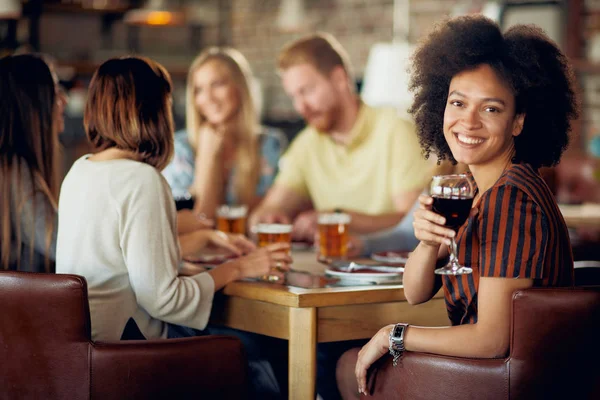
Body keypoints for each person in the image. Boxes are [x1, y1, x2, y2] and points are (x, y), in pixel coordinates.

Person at [336, 15, 577, 397]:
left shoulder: (510, 199)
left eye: (491, 109)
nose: (468, 121)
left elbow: (493, 339)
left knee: (348, 366)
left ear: (518, 122)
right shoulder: (474, 191)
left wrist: (393, 335)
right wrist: (429, 243)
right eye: (458, 102)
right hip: (491, 373)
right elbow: (415, 292)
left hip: (498, 380)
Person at [55, 56, 292, 399]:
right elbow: (165, 300)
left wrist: (191, 251)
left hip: (87, 348)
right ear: (154, 111)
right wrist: (240, 267)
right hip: (129, 347)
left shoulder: (80, 170)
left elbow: (117, 260)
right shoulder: (141, 179)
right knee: (254, 347)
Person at [248, 33, 434, 250]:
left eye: (307, 91)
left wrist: (336, 218)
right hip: (333, 270)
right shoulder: (307, 142)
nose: (301, 107)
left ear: (339, 78)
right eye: (294, 96)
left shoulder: (395, 129)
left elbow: (412, 223)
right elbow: (268, 209)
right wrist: (266, 219)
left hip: (393, 273)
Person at [161, 47, 286, 219]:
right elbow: (202, 218)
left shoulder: (269, 144)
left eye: (217, 84)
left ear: (240, 87)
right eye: (199, 89)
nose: (208, 97)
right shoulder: (180, 147)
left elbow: (261, 217)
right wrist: (208, 154)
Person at [0, 54, 67, 272]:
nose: (64, 101)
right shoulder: (15, 171)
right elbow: (67, 247)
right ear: (34, 107)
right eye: (56, 93)